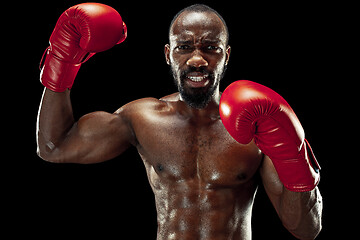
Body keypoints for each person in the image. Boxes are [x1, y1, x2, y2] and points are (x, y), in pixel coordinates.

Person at [36, 3, 323, 240]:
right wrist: (61, 61)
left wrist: (296, 158)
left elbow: (306, 229)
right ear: (167, 54)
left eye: (211, 48)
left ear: (227, 56)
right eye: (184, 47)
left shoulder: (257, 125)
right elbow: (55, 146)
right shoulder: (143, 118)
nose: (197, 59)